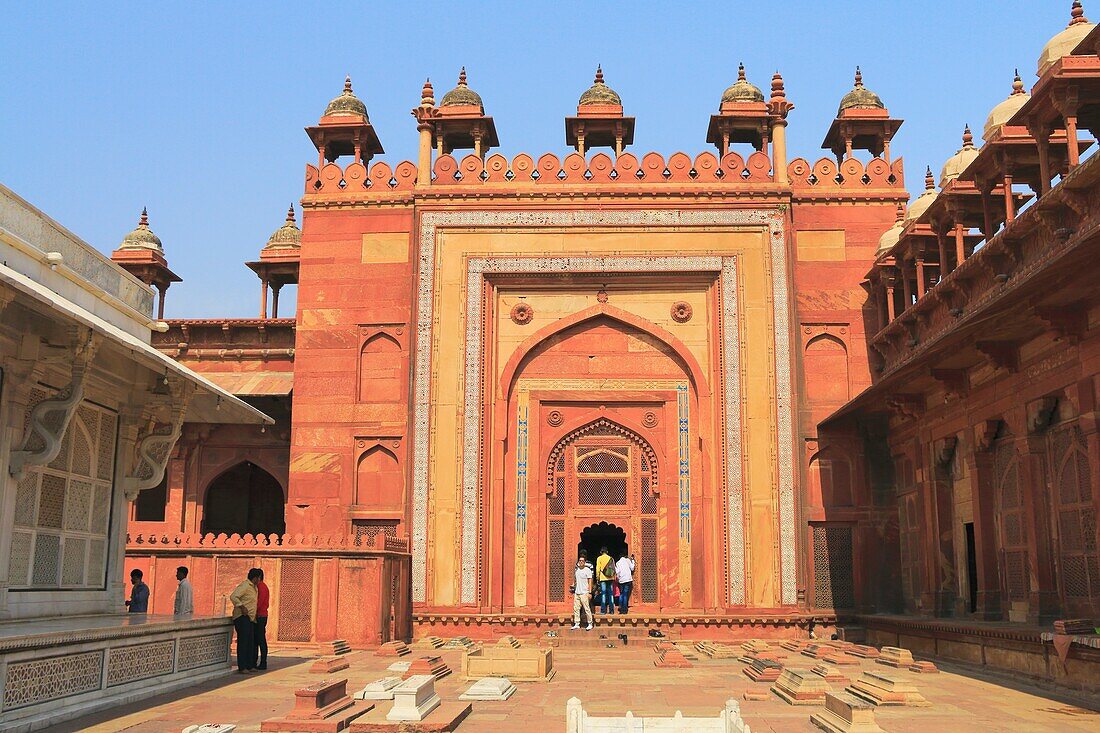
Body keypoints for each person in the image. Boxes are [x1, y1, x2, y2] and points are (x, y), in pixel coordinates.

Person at [229, 568, 260, 674]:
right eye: (258, 578)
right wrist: (241, 606)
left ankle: (249, 665)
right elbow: (234, 596)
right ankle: (242, 666)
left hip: (250, 618)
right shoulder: (245, 586)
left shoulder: (254, 588)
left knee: (250, 642)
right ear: (255, 578)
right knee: (243, 642)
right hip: (242, 617)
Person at [570, 556, 594, 631]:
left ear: (585, 562)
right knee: (576, 608)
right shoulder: (577, 570)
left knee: (586, 608)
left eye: (582, 561)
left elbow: (590, 581)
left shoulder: (587, 570)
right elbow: (575, 579)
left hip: (584, 592)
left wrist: (590, 592)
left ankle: (590, 623)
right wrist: (573, 585)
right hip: (577, 592)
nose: (580, 562)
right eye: (579, 561)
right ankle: (577, 623)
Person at [254, 568, 270, 670]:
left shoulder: (261, 587)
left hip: (260, 615)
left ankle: (263, 662)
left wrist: (253, 611)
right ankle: (259, 661)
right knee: (259, 640)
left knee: (260, 640)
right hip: (261, 615)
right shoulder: (261, 586)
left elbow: (259, 602)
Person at [595, 547, 616, 614]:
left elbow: (598, 569)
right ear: (607, 551)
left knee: (603, 594)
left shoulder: (599, 558)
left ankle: (603, 611)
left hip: (603, 578)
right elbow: (614, 568)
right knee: (611, 594)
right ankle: (612, 610)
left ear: (601, 552)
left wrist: (597, 577)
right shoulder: (611, 558)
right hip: (610, 578)